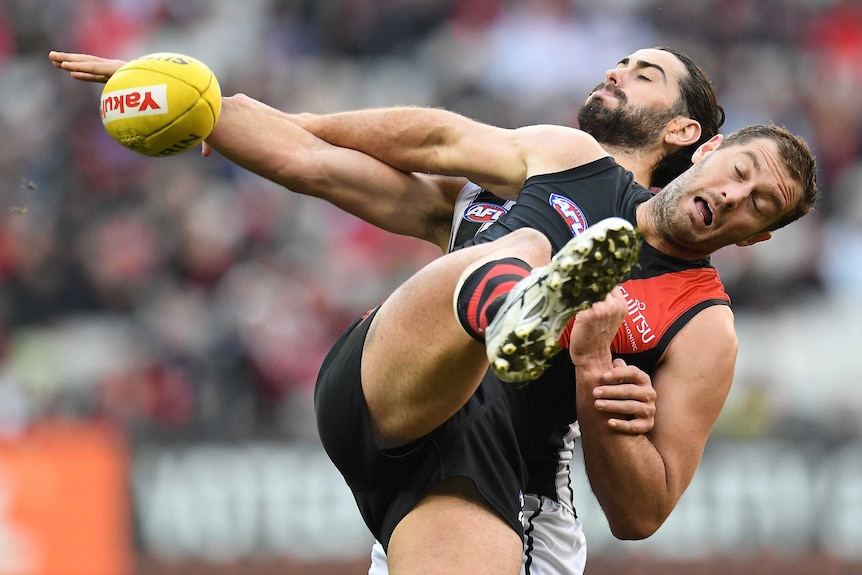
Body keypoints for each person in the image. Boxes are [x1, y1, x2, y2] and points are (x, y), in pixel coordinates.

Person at [49, 49, 818, 575]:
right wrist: (189, 98)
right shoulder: (559, 167)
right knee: (515, 248)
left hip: (496, 474)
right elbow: (329, 157)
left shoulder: (703, 323)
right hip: (389, 377)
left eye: (761, 206)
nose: (738, 197)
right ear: (710, 150)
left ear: (759, 237)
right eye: (743, 172)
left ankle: (523, 311)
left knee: (512, 249)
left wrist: (592, 370)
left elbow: (643, 513)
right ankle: (516, 306)